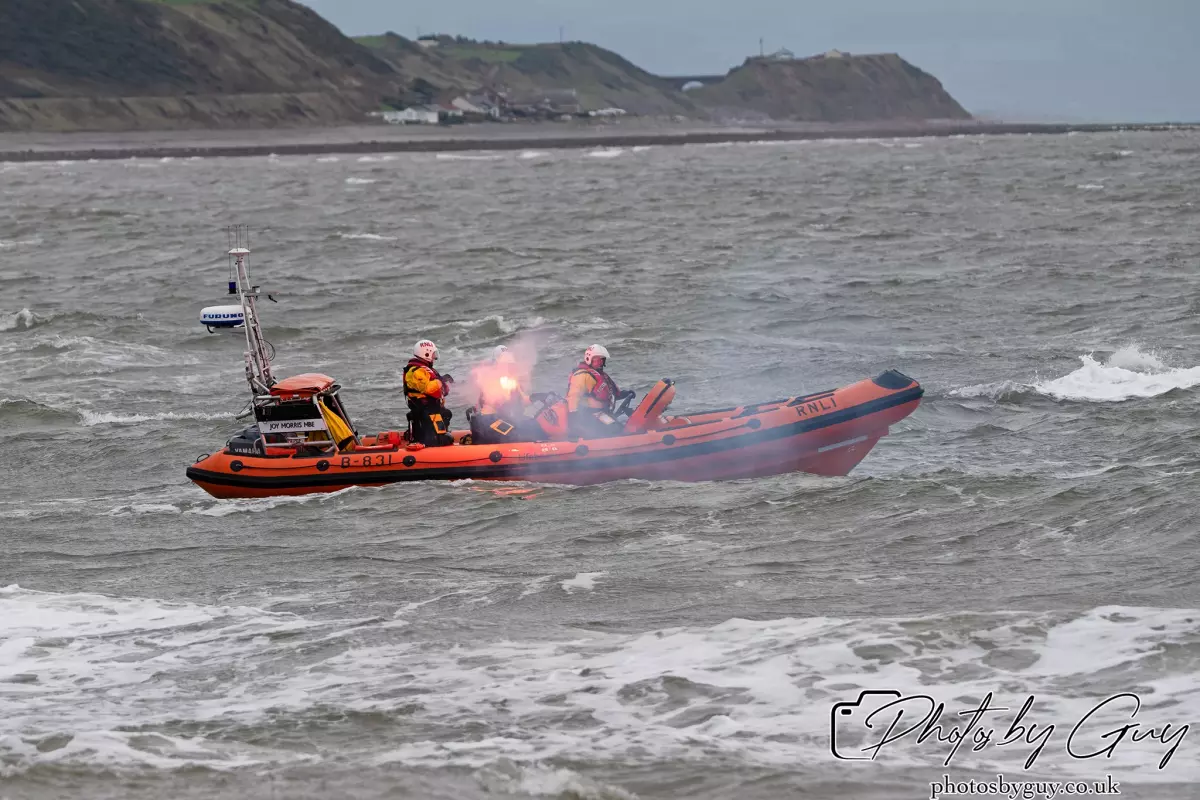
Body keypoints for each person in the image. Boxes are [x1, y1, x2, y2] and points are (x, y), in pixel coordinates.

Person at [470, 345, 534, 444]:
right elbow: (498, 402)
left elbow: (521, 400)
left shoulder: (510, 379)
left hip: (502, 418)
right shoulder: (492, 379)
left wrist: (536, 398)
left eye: (509, 364)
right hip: (489, 421)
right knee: (515, 436)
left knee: (532, 426)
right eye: (505, 363)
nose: (508, 366)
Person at [403, 339, 454, 446]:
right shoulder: (416, 371)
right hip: (424, 410)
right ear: (426, 353)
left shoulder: (426, 370)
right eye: (433, 354)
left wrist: (444, 382)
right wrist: (440, 381)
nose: (434, 357)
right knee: (442, 440)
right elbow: (427, 388)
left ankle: (438, 437)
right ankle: (431, 442)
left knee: (447, 414)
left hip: (432, 410)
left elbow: (441, 391)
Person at [566, 343, 623, 439]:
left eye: (602, 361)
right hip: (589, 414)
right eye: (598, 361)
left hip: (601, 412)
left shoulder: (601, 375)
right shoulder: (582, 375)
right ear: (589, 359)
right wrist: (573, 416)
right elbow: (573, 396)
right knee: (614, 429)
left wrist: (626, 394)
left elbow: (611, 392)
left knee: (620, 427)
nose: (601, 364)